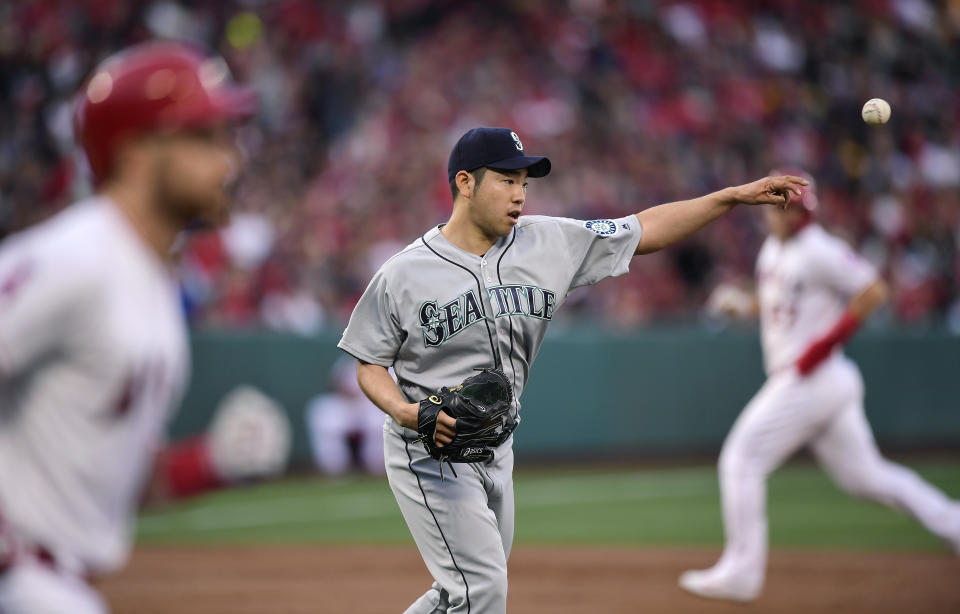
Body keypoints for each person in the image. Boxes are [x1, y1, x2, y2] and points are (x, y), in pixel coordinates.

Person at [337, 126, 808, 613]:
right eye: (507, 180)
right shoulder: (403, 272)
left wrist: (731, 197)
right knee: (481, 590)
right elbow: (369, 362)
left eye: (525, 183)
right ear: (465, 183)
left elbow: (645, 229)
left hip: (497, 445)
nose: (520, 194)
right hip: (430, 451)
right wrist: (408, 412)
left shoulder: (549, 241)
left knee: (460, 589)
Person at [0, 41, 263, 613]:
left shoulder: (155, 289)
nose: (230, 160)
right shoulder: (78, 258)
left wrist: (209, 463)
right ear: (138, 151)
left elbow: (110, 477)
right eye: (205, 137)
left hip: (60, 583)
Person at [679, 170, 960, 602]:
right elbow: (781, 305)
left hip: (812, 376)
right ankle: (954, 524)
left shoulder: (820, 249)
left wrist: (826, 343)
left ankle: (742, 571)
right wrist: (745, 306)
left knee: (741, 458)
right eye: (777, 205)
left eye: (789, 207)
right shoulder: (773, 250)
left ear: (801, 213)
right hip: (815, 379)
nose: (781, 214)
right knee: (866, 477)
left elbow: (873, 290)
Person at [306, 357, 386, 476]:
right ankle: (334, 469)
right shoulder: (349, 361)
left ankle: (378, 468)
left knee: (377, 421)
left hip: (374, 404)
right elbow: (337, 385)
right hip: (345, 404)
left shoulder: (392, 363)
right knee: (325, 415)